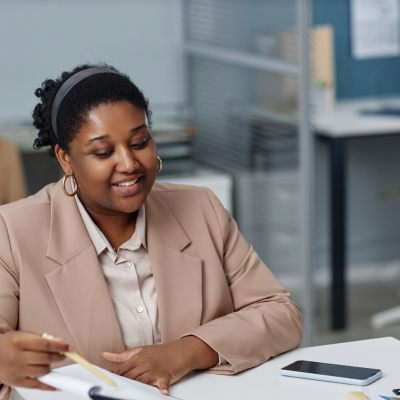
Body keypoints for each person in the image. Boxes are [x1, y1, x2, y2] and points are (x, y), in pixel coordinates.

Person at [0, 64, 302, 399]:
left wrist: (186, 352)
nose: (129, 163)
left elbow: (280, 314)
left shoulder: (201, 209)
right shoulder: (12, 232)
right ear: (65, 158)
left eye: (140, 141)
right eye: (103, 152)